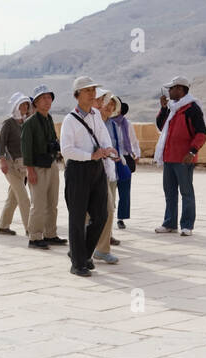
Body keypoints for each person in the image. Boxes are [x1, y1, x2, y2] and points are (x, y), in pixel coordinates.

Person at [60, 76, 118, 277]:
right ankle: (78, 263)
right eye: (87, 90)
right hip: (78, 170)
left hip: (97, 169)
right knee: (77, 218)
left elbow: (102, 137)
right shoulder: (69, 120)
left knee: (101, 215)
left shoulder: (95, 115)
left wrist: (109, 149)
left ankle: (82, 253)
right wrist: (89, 155)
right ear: (77, 95)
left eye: (93, 90)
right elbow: (66, 150)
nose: (92, 93)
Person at [154, 75, 206, 236]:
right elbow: (161, 126)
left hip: (184, 158)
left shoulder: (192, 109)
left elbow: (201, 133)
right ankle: (169, 223)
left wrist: (192, 151)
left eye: (171, 88)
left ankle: (187, 225)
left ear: (180, 89)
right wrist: (163, 108)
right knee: (169, 192)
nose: (169, 91)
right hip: (169, 157)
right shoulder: (172, 108)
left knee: (186, 192)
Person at [20, 83, 64, 250]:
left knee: (52, 202)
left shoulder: (49, 118)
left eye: (49, 97)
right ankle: (35, 237)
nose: (47, 101)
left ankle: (50, 234)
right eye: (43, 98)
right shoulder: (30, 123)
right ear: (36, 103)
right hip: (37, 167)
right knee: (38, 204)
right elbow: (26, 147)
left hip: (51, 164)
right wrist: (29, 170)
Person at [91, 92, 121, 264]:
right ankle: (87, 246)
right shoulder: (90, 121)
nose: (109, 107)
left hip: (109, 170)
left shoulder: (111, 125)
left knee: (109, 208)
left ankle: (102, 247)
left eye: (112, 105)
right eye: (106, 103)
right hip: (92, 170)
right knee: (92, 211)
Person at [0, 92, 31, 236]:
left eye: (26, 104)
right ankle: (31, 229)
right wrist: (2, 161)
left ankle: (3, 226)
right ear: (16, 106)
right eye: (22, 104)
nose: (25, 107)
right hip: (9, 165)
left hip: (22, 166)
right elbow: (1, 143)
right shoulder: (8, 123)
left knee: (13, 197)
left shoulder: (25, 122)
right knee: (23, 197)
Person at [109, 99, 139, 229]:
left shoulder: (127, 124)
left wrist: (136, 154)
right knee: (109, 190)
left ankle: (121, 218)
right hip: (110, 158)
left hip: (125, 159)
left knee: (125, 191)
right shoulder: (107, 123)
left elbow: (134, 141)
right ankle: (108, 215)